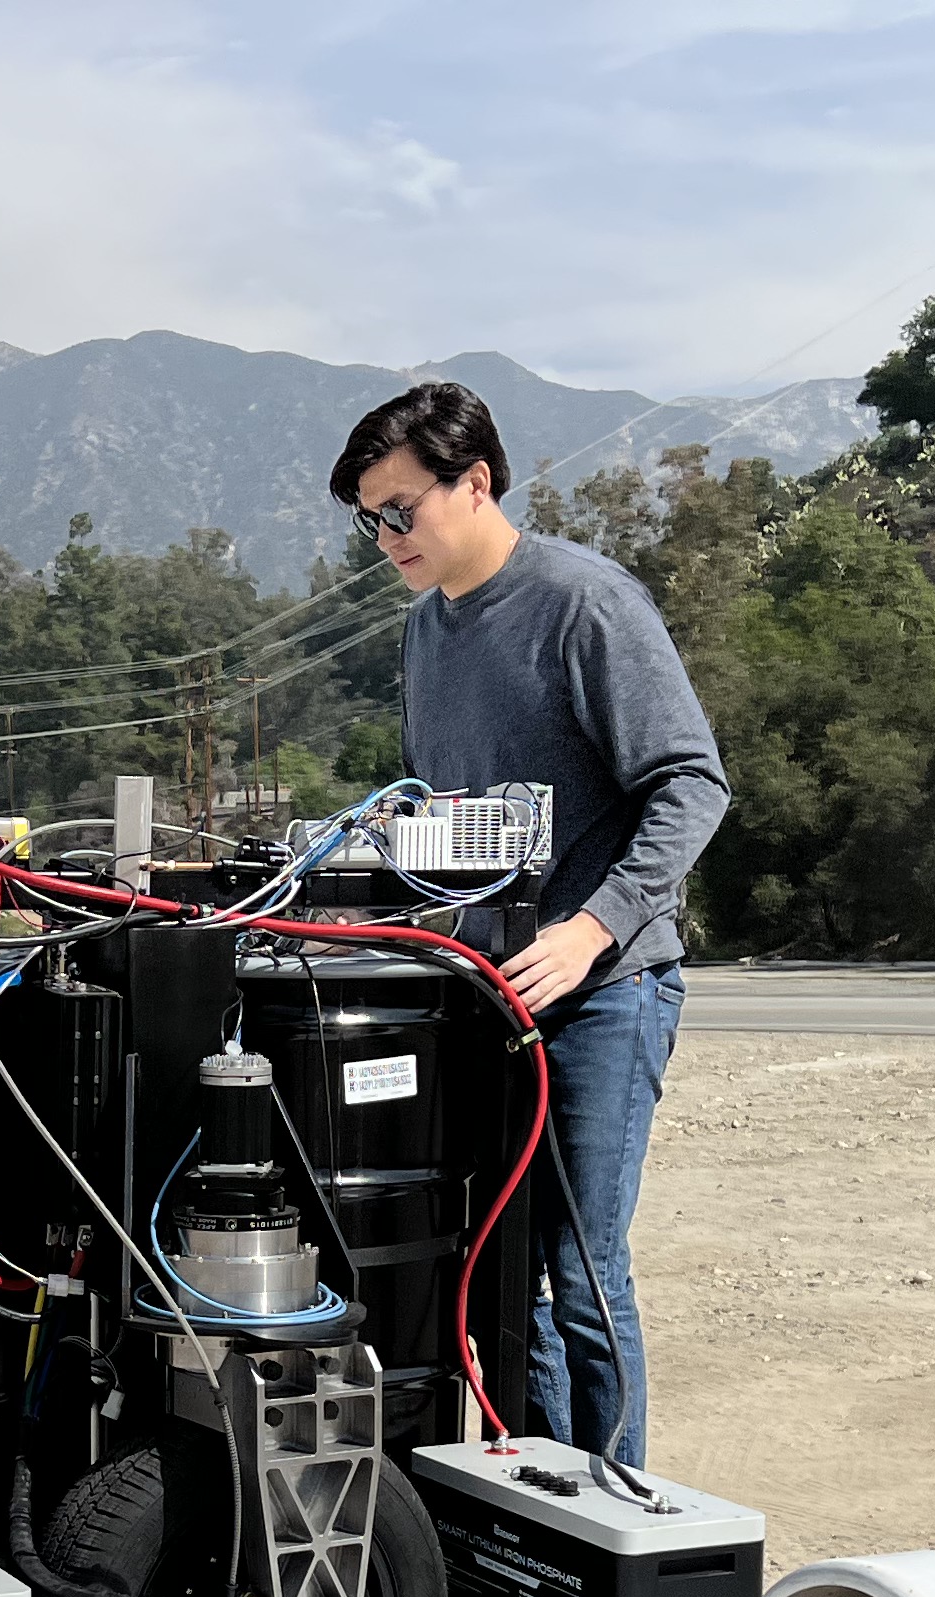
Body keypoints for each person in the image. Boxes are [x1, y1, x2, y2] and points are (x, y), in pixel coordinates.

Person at [330, 381, 728, 1463]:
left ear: (475, 482)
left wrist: (592, 929)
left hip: (605, 991)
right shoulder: (425, 633)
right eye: (371, 521)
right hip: (485, 996)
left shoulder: (584, 604)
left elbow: (692, 784)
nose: (387, 538)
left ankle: (616, 1511)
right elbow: (436, 811)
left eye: (400, 510)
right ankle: (540, 1496)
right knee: (506, 1274)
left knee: (583, 1272)